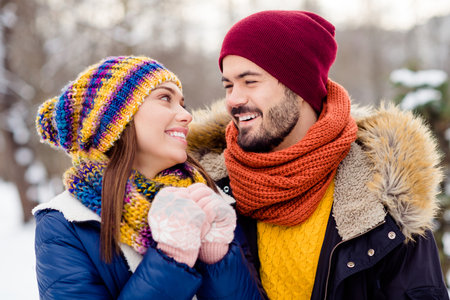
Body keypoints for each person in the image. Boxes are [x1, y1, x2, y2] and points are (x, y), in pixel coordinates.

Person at [186, 10, 449, 300]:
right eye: (228, 85)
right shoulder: (206, 186)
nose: (233, 99)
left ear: (299, 88)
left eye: (250, 82)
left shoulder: (386, 198)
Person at [33, 56, 262, 299]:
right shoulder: (68, 222)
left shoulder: (212, 199)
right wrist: (170, 261)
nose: (186, 115)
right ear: (114, 119)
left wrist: (219, 259)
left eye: (183, 103)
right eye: (165, 98)